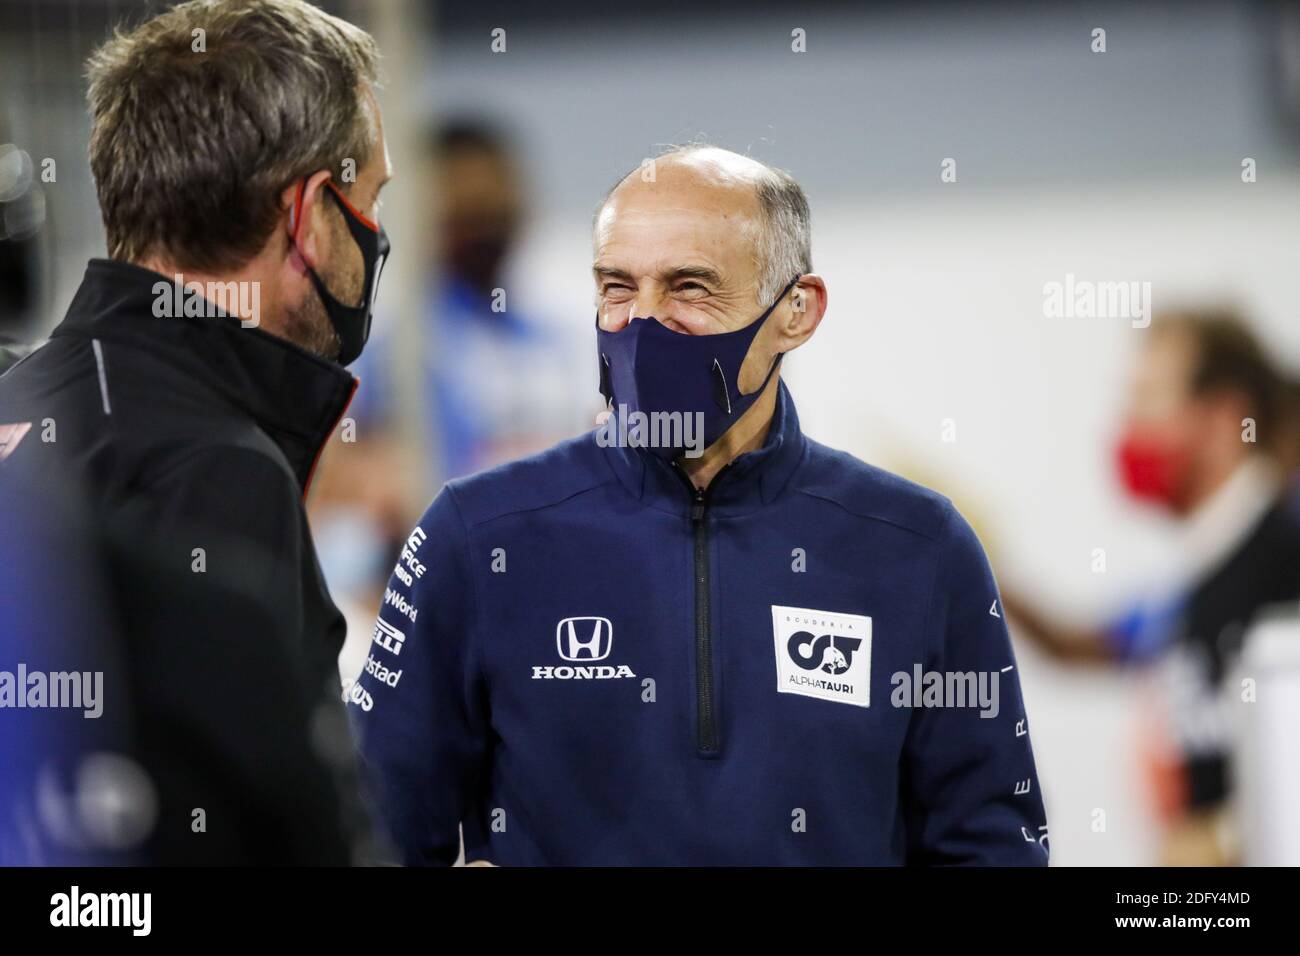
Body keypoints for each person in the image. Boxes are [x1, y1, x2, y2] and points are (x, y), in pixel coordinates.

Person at [347, 145, 1049, 865]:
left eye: (689, 287)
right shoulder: (478, 535)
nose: (644, 322)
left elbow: (990, 843)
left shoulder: (918, 547)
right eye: (617, 288)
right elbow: (376, 831)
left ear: (796, 313)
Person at [0, 0, 392, 863]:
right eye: (371, 201)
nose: (377, 240)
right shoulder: (214, 468)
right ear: (308, 213)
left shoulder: (20, 400)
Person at [1003, 309, 1300, 865]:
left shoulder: (1284, 561)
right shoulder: (1190, 585)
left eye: (1148, 399)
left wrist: (1225, 836)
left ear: (1222, 418)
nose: (1128, 426)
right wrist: (974, 557)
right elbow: (1079, 643)